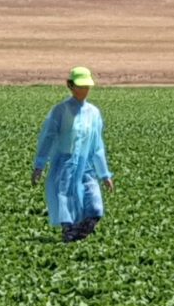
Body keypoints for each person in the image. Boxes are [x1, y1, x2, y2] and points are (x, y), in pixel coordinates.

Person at [32, 66, 114, 242]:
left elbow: (97, 145)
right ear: (70, 86)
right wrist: (39, 165)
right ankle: (70, 235)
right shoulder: (61, 111)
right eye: (81, 86)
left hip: (86, 165)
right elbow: (48, 138)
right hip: (65, 164)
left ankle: (81, 234)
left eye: (87, 87)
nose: (84, 90)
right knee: (68, 200)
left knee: (94, 204)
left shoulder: (94, 113)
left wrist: (104, 174)